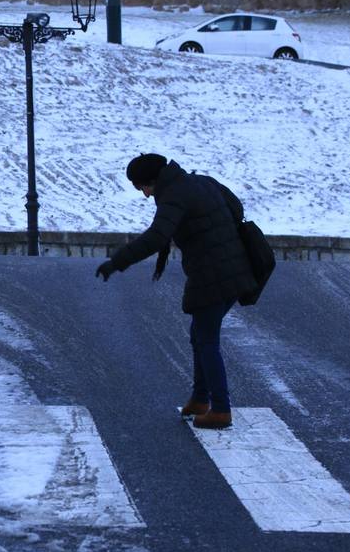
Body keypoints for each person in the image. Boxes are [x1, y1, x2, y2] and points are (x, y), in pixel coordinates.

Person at [96, 153, 257, 429]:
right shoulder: (201, 182)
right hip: (234, 269)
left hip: (214, 274)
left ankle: (220, 409)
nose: (145, 195)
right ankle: (200, 398)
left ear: (152, 181)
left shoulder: (174, 195)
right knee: (200, 335)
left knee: (206, 340)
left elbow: (157, 236)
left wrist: (117, 262)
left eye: (141, 187)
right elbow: (236, 209)